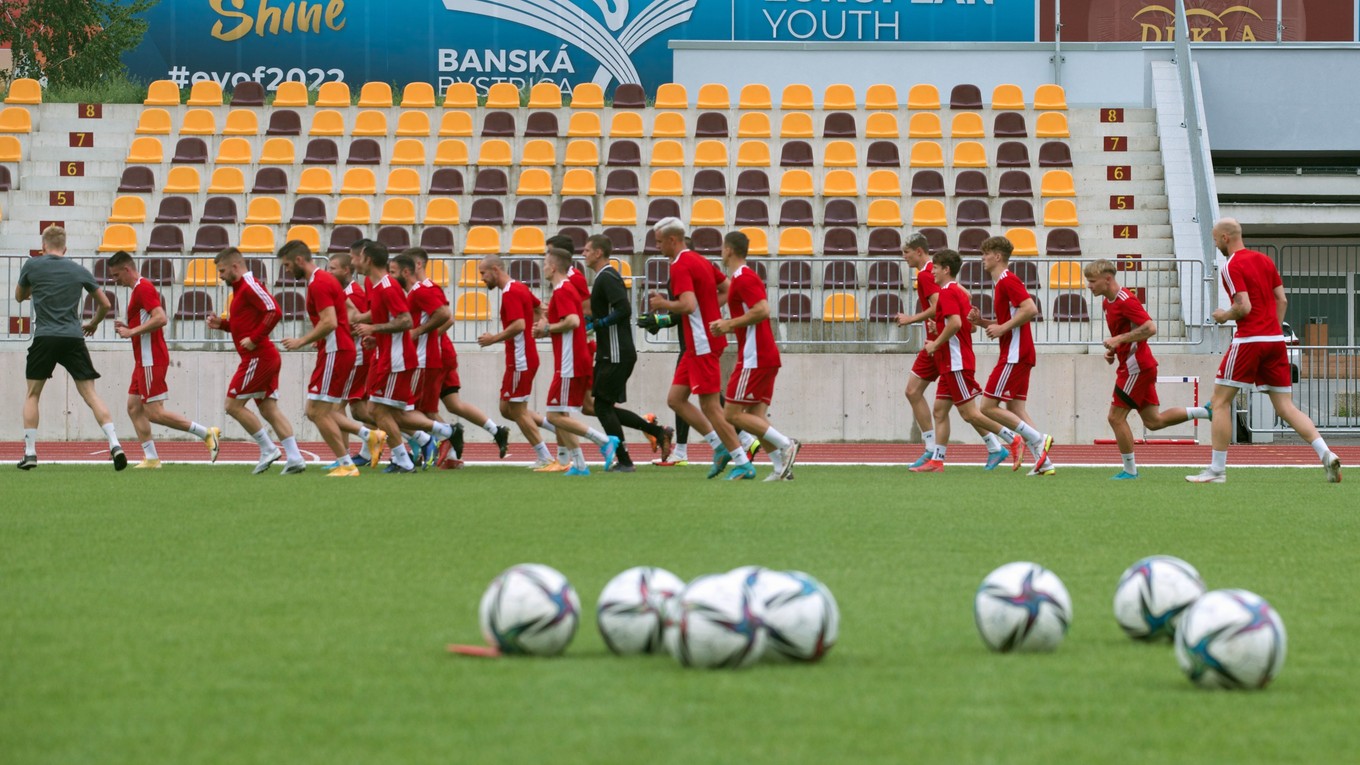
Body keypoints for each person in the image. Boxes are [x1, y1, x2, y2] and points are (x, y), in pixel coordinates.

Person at [1188, 218, 1341, 483]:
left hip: (1249, 341)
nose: (1216, 245)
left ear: (1225, 237)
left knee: (1221, 402)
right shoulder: (1265, 260)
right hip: (1274, 341)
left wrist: (1224, 315)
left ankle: (1217, 470)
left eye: (1215, 240)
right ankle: (1326, 454)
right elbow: (1282, 299)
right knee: (1285, 407)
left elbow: (1243, 307)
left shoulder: (1231, 265)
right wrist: (1273, 327)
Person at [914, 249, 1040, 474]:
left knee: (971, 413)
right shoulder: (957, 292)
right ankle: (937, 460)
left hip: (956, 362)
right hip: (950, 362)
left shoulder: (948, 293)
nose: (931, 271)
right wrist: (938, 327)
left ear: (946, 269)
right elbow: (968, 326)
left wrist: (935, 342)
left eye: (935, 267)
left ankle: (1013, 440)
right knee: (940, 410)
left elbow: (956, 324)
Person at [1085, 259, 1212, 479]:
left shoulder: (1126, 300)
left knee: (1115, 418)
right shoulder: (1107, 302)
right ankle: (1205, 412)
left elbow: (1150, 327)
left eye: (1092, 281)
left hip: (1136, 368)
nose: (1089, 286)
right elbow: (1125, 333)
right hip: (1137, 366)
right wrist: (1114, 350)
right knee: (1154, 422)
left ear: (1108, 279)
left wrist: (1118, 340)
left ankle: (1130, 470)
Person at [647, 218, 751, 479]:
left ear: (673, 240)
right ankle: (719, 447)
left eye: (659, 242)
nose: (657, 247)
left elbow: (688, 305)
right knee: (675, 399)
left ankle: (741, 460)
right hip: (699, 343)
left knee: (711, 407)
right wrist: (711, 309)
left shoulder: (680, 265)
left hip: (701, 343)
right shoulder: (700, 260)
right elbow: (727, 288)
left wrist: (662, 303)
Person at [15, 225, 126, 470]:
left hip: (45, 336)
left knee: (33, 394)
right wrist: (94, 324)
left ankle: (31, 452)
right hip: (73, 337)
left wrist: (39, 288)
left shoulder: (32, 266)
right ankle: (115, 444)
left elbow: (19, 296)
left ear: (43, 246)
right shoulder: (78, 270)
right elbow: (106, 303)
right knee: (90, 394)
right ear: (65, 248)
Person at [352, 242, 458, 473]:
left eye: (355, 257)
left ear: (367, 259)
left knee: (379, 411)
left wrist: (373, 329)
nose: (353, 262)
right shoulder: (381, 286)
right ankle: (433, 438)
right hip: (388, 356)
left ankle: (407, 457)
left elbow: (406, 321)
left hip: (397, 360)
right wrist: (376, 337)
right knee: (384, 412)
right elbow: (394, 322)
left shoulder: (388, 287)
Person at [108, 250, 220, 468]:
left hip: (151, 358)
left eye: (116, 275)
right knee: (133, 407)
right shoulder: (138, 290)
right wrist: (129, 327)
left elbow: (161, 318)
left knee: (154, 412)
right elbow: (149, 322)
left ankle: (206, 433)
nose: (115, 281)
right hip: (143, 359)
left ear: (126, 269)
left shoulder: (143, 288)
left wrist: (132, 332)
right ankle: (151, 458)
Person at [401, 247, 509, 467]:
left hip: (434, 355)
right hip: (441, 353)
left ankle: (441, 446)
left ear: (417, 265)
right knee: (452, 404)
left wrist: (425, 336)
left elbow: (447, 318)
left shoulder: (425, 288)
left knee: (423, 410)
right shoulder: (427, 288)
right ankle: (495, 431)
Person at [708, 231, 800, 481]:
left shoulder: (743, 277)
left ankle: (786, 444)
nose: (721, 252)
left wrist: (729, 324)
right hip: (763, 354)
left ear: (729, 250)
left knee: (731, 414)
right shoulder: (743, 277)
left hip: (754, 356)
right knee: (756, 417)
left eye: (722, 248)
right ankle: (781, 468)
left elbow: (762, 310)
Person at [206, 247, 306, 474]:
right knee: (269, 409)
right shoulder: (240, 290)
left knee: (232, 405)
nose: (220, 276)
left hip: (259, 357)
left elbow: (274, 311)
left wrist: (255, 338)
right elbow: (245, 325)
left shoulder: (250, 285)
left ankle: (268, 448)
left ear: (235, 267)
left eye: (222, 271)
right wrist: (222, 325)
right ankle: (295, 457)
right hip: (262, 356)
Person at [583, 234, 673, 472]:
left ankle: (624, 460)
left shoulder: (607, 277)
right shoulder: (604, 278)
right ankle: (656, 431)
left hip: (616, 351)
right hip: (611, 351)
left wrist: (600, 323)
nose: (584, 254)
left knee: (602, 406)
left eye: (587, 250)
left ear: (599, 253)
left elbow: (624, 308)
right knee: (604, 406)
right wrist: (591, 320)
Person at [971, 236, 1057, 474]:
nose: (982, 258)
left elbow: (1030, 309)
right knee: (1016, 408)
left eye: (985, 254)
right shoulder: (1002, 283)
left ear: (997, 256)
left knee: (987, 407)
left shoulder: (1008, 280)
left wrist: (1002, 328)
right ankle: (1044, 463)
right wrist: (983, 322)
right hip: (1020, 352)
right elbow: (1008, 320)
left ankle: (1039, 438)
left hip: (1014, 354)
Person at [533, 247, 620, 476]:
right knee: (560, 415)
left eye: (544, 264)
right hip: (572, 358)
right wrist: (545, 326)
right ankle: (580, 465)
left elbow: (572, 320)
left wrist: (548, 328)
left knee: (553, 415)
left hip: (569, 361)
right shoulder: (565, 289)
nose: (542, 268)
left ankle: (604, 441)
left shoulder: (563, 290)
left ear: (552, 267)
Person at [277, 240, 360, 477]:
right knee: (321, 410)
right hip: (337, 348)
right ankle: (367, 437)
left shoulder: (318, 284)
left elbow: (330, 322)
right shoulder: (326, 279)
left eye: (287, 265)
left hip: (336, 350)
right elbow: (350, 311)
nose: (287, 271)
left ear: (299, 260)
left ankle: (347, 463)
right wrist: (328, 334)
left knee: (316, 411)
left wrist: (301, 341)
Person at [477, 254, 555, 468]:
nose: (482, 279)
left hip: (521, 359)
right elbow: (540, 308)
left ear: (495, 269)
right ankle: (559, 428)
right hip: (521, 357)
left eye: (483, 273)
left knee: (517, 410)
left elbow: (519, 325)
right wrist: (541, 323)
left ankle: (545, 456)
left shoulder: (511, 292)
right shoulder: (519, 287)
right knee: (506, 409)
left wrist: (493, 338)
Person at [391, 250, 463, 468]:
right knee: (419, 411)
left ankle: (442, 439)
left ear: (407, 271)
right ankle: (438, 450)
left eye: (393, 272)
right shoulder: (416, 292)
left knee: (404, 411)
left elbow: (444, 315)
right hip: (422, 359)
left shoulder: (421, 290)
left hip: (422, 360)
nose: (391, 277)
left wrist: (419, 332)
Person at [329, 243, 386, 468]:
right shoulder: (346, 291)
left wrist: (333, 331)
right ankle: (372, 445)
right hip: (354, 354)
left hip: (357, 355)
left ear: (346, 270)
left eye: (333, 268)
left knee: (335, 407)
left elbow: (362, 321)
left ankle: (343, 459)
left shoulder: (354, 293)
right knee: (359, 410)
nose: (329, 272)